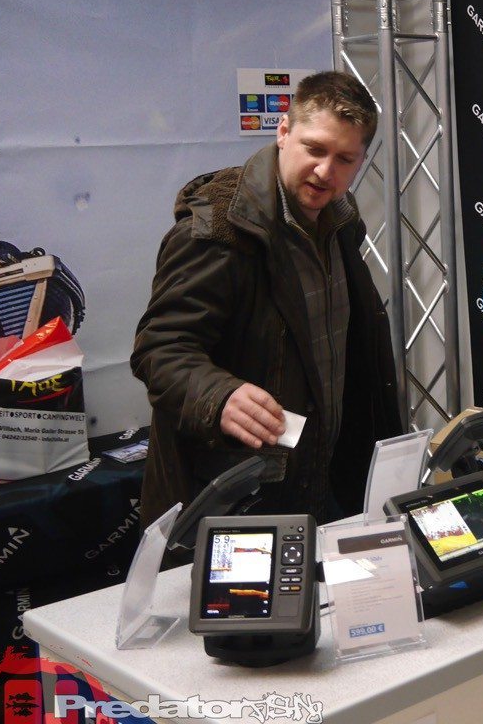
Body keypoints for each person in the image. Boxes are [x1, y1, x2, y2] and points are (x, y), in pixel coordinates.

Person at [132, 71, 402, 532]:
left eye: (344, 159)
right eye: (314, 149)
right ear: (283, 132)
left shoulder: (340, 222)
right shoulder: (219, 228)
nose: (325, 171)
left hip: (323, 480)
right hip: (236, 498)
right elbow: (159, 349)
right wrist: (219, 396)